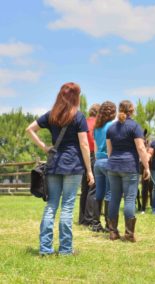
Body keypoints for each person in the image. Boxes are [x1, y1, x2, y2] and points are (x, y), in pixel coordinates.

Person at [26, 82, 94, 256]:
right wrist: (89, 171)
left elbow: (30, 129)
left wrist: (44, 147)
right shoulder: (78, 117)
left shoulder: (51, 116)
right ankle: (65, 250)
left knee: (51, 205)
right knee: (67, 207)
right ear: (76, 98)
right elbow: (84, 144)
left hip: (54, 165)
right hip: (73, 165)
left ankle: (45, 249)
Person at [106, 100, 150, 242]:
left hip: (113, 166)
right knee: (129, 199)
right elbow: (141, 148)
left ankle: (113, 232)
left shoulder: (111, 128)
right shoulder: (135, 127)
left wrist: (113, 162)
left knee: (114, 198)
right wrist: (147, 167)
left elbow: (109, 151)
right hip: (129, 167)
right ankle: (129, 234)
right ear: (131, 110)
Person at [93, 101, 116, 231]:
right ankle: (108, 224)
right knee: (109, 193)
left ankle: (96, 223)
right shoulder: (112, 126)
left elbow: (96, 147)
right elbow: (111, 146)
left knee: (99, 193)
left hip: (98, 162)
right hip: (108, 160)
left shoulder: (97, 127)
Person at [79, 103, 101, 231]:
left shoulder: (84, 122)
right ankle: (89, 219)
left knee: (85, 189)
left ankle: (82, 219)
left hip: (82, 157)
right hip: (93, 155)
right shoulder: (97, 125)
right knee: (93, 188)